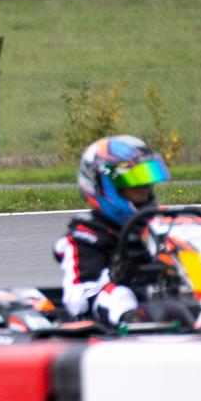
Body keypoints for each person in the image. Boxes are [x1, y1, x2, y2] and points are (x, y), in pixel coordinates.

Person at [53, 135, 175, 327]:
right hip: (110, 324)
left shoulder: (160, 224)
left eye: (146, 183)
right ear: (104, 187)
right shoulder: (86, 235)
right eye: (134, 185)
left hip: (161, 305)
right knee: (119, 295)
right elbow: (78, 300)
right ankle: (134, 323)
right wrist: (115, 277)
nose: (144, 191)